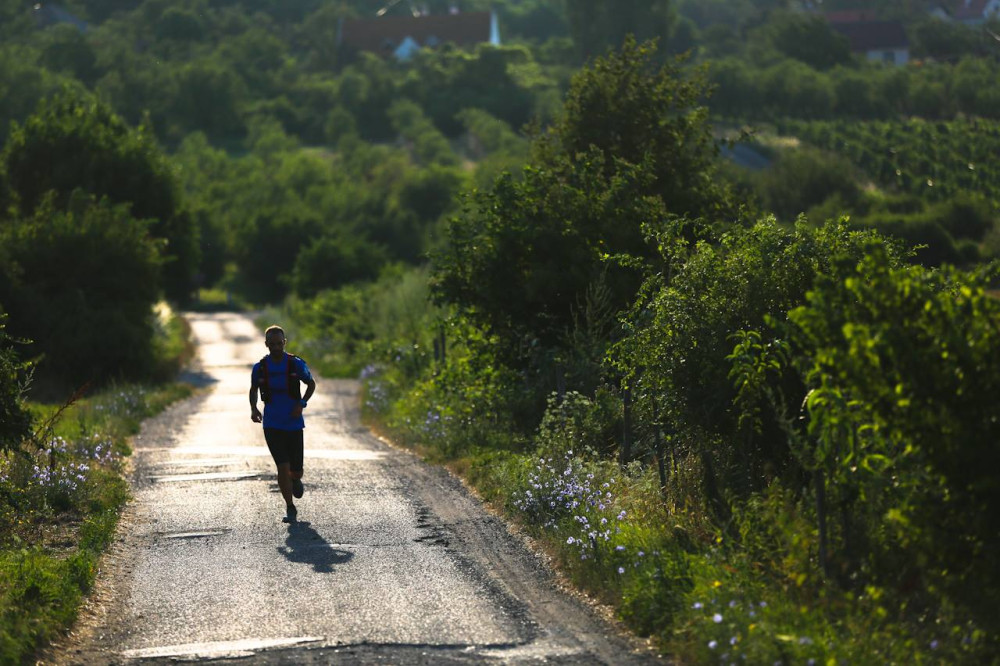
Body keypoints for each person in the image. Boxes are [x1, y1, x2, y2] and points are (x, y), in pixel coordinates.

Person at [249, 325, 316, 523]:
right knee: (281, 466)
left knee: (295, 469)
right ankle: (290, 507)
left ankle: (296, 478)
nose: (276, 347)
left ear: (284, 343)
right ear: (266, 344)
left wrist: (302, 403)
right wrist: (254, 408)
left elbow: (311, 383)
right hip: (272, 424)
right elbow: (253, 389)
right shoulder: (260, 367)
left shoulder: (295, 364)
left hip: (294, 424)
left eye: (279, 343)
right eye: (272, 344)